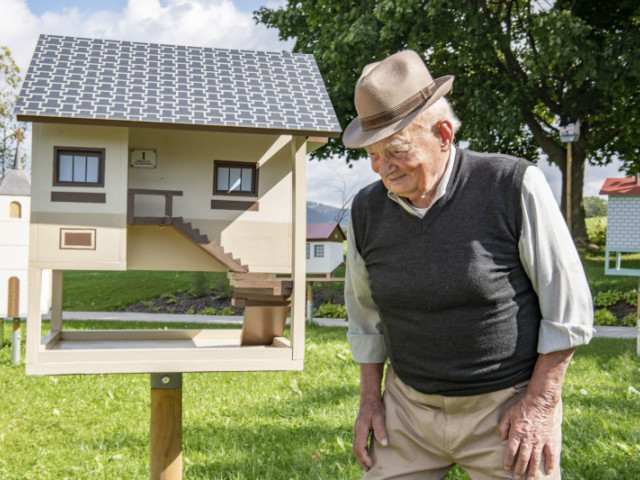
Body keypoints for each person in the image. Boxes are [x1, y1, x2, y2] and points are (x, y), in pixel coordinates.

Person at [342, 50, 595, 480]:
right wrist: (371, 399)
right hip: (408, 411)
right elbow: (365, 317)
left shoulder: (511, 185)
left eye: (395, 151)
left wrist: (539, 404)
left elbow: (567, 310)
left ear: (442, 133)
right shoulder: (365, 210)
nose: (382, 168)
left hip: (507, 409)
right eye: (372, 154)